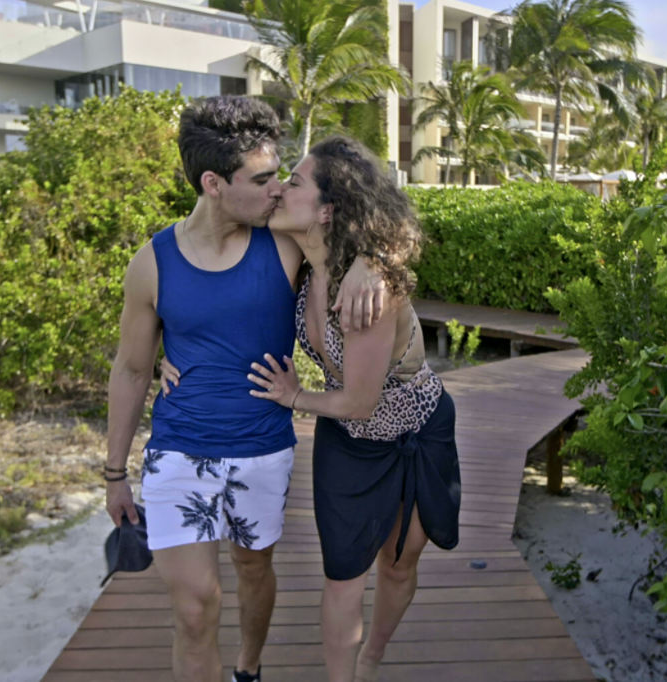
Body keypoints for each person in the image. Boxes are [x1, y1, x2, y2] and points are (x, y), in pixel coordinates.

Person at [105, 98, 385, 682]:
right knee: (195, 606)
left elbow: (378, 219)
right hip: (179, 447)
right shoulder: (151, 264)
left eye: (279, 174)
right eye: (262, 179)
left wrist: (375, 263)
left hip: (263, 448)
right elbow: (132, 369)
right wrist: (114, 473)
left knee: (253, 570)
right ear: (213, 183)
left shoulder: (283, 242)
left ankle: (249, 667)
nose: (278, 188)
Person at [164, 136, 462, 682]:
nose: (279, 190)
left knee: (398, 566)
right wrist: (173, 354)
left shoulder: (371, 290)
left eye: (293, 182)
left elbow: (361, 399)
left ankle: (372, 654)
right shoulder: (299, 258)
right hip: (347, 439)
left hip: (416, 430)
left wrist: (296, 395)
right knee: (343, 574)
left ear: (328, 208)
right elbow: (216, 291)